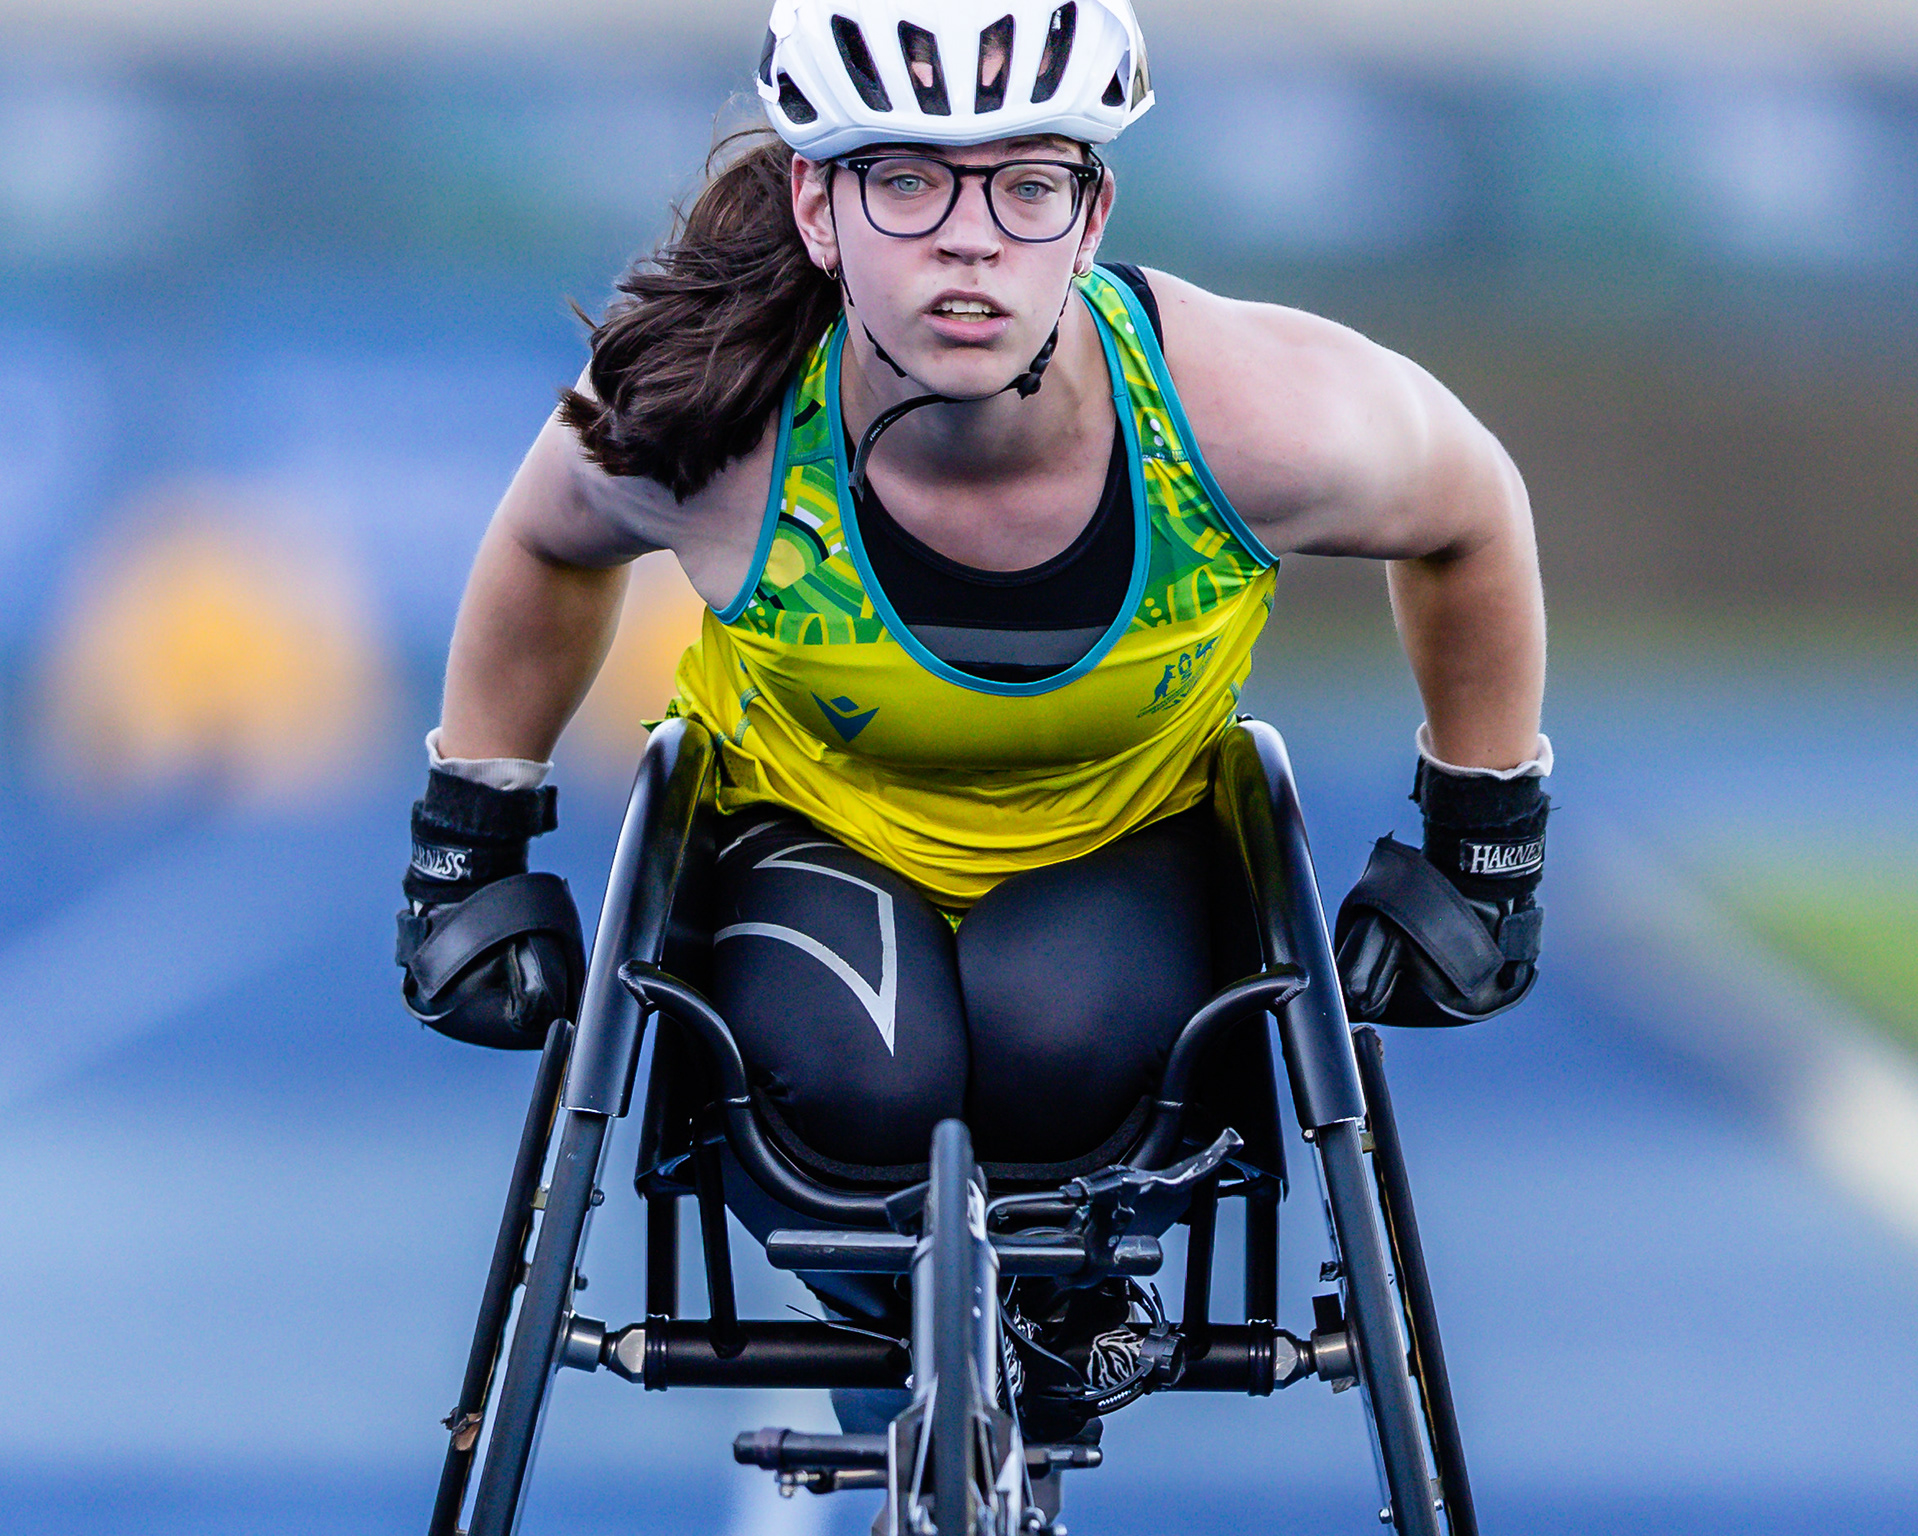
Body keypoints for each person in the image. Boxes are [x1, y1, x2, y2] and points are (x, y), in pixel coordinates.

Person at [396, 0, 1551, 1178]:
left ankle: (1056, 1255)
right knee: (869, 1085)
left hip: (1124, 838)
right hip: (808, 836)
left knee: (1055, 1046)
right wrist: (469, 851)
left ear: (1091, 216)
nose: (970, 242)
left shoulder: (1244, 417)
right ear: (817, 207)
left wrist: (1484, 850)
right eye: (907, 183)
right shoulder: (719, 422)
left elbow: (1475, 510)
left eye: (1027, 187)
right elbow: (547, 544)